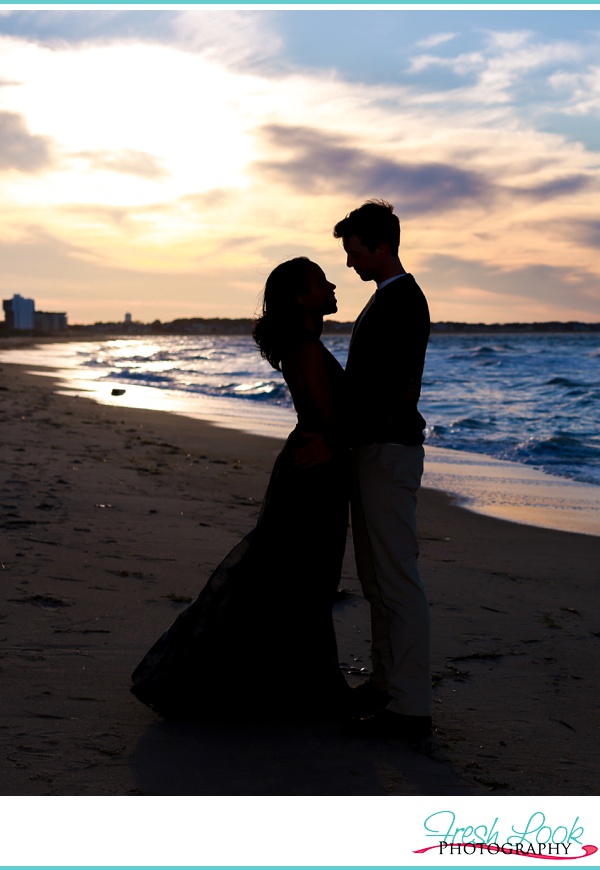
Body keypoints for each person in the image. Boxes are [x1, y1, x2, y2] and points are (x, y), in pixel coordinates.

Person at [130, 257, 352, 720]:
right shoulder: (306, 349)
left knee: (288, 578)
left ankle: (291, 686)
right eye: (321, 281)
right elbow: (333, 422)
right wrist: (337, 441)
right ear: (299, 297)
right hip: (313, 473)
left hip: (311, 468)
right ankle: (295, 690)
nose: (332, 285)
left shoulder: (302, 344)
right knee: (300, 579)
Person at [334, 200, 432, 740]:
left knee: (396, 579)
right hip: (376, 448)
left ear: (380, 245)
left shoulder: (403, 302)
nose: (350, 263)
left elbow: (393, 390)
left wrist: (341, 432)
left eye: (353, 251)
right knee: (377, 578)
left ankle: (411, 706)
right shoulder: (387, 300)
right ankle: (386, 684)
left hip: (389, 451)